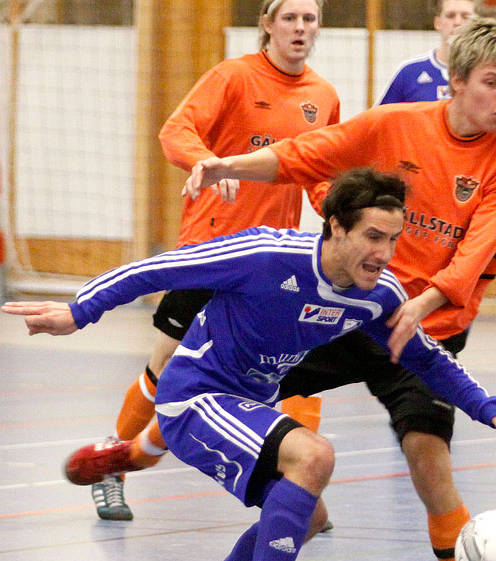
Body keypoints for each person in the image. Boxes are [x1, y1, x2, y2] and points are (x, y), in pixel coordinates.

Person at [2, 167, 496, 561]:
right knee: (313, 455)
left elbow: (425, 360)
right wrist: (77, 312)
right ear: (336, 229)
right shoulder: (266, 256)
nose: (385, 253)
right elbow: (159, 268)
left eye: (394, 240)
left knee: (309, 516)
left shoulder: (378, 297)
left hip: (245, 405)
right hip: (193, 397)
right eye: (373, 237)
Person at [180, 17, 496, 561]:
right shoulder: (397, 122)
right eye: (491, 83)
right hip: (350, 312)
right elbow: (305, 154)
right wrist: (224, 163)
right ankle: (135, 446)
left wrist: (421, 303)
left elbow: (473, 253)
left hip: (425, 331)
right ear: (455, 82)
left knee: (432, 473)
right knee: (233, 384)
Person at [90, 0, 340, 521]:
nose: (300, 28)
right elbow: (174, 131)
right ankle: (111, 465)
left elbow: (318, 173)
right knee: (164, 367)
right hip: (211, 248)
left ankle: (299, 487)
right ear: (267, 24)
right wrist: (207, 161)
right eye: (289, 18)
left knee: (285, 370)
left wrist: (343, 219)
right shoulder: (232, 77)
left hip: (272, 264)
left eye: (309, 18)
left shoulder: (323, 96)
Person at [375, 0, 477, 105]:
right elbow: (379, 118)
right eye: (450, 16)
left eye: (465, 17)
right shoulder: (410, 72)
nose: (457, 22)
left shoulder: (485, 72)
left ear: (475, 24)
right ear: (437, 23)